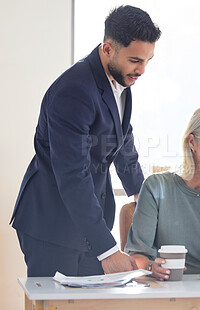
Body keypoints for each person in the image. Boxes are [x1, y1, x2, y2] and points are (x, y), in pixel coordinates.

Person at [10, 5, 161, 277]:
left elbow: (122, 140)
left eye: (148, 60)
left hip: (86, 224)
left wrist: (142, 194)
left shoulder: (120, 78)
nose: (142, 70)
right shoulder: (74, 91)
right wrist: (107, 249)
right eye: (135, 60)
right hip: (52, 225)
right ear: (107, 49)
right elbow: (72, 175)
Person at [124, 105, 200, 280]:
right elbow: (137, 257)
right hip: (167, 286)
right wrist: (152, 267)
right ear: (192, 142)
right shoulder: (156, 186)